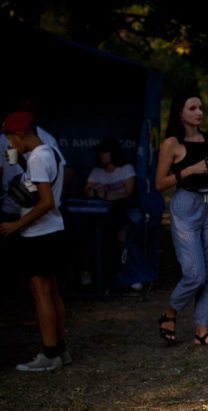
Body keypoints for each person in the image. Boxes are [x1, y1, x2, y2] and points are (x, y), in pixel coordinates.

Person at [154, 91, 208, 347]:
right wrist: (189, 170)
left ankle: (201, 329)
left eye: (200, 107)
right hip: (186, 205)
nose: (199, 112)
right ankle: (170, 312)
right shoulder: (171, 143)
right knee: (195, 273)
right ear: (180, 113)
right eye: (192, 108)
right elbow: (159, 183)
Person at [1, 111, 70, 371]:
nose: (9, 144)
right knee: (51, 291)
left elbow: (46, 202)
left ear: (19, 135)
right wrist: (20, 164)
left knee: (40, 292)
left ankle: (49, 353)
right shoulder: (48, 152)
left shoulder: (38, 160)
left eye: (10, 138)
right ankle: (60, 349)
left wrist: (16, 225)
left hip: (40, 234)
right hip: (53, 231)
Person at [83, 137, 138, 287]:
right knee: (88, 237)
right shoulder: (97, 171)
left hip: (123, 213)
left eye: (105, 152)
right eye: (100, 152)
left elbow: (128, 193)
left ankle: (128, 275)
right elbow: (87, 191)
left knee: (122, 237)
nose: (102, 155)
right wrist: (98, 193)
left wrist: (105, 194)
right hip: (99, 216)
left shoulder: (126, 169)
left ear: (114, 153)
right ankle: (87, 273)